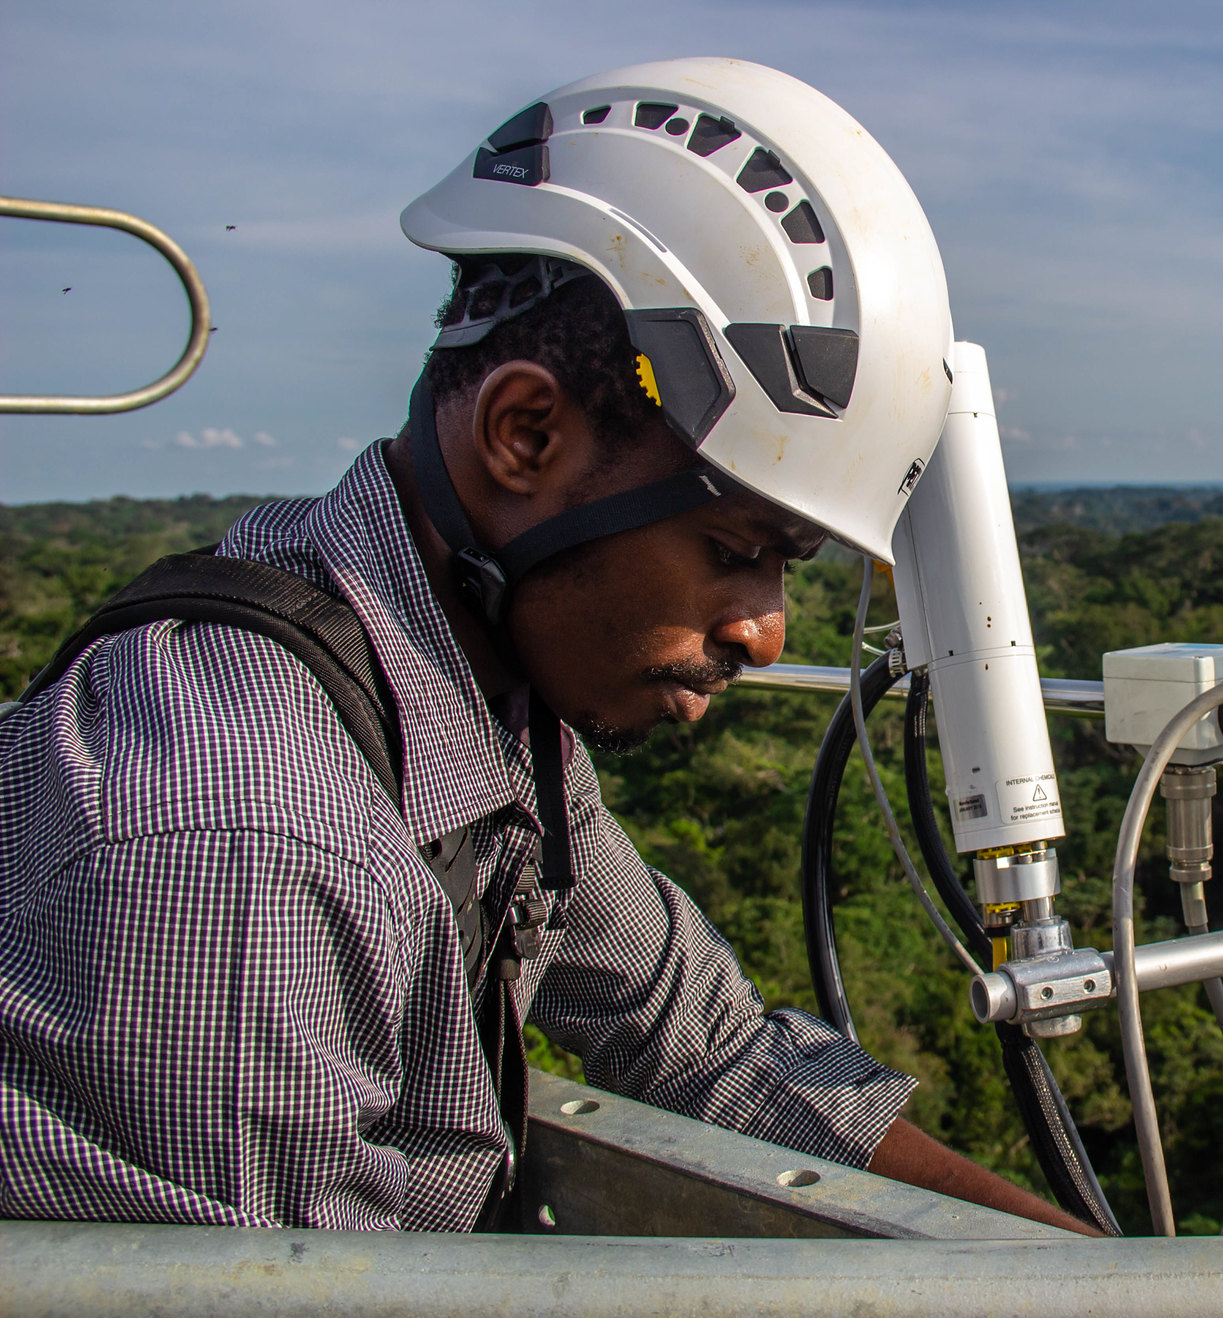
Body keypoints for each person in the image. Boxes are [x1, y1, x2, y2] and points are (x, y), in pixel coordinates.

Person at [0, 58, 1094, 1236]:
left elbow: (705, 1047)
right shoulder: (253, 840)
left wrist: (1094, 1291)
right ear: (526, 435)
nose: (766, 632)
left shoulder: (451, 688)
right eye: (733, 545)